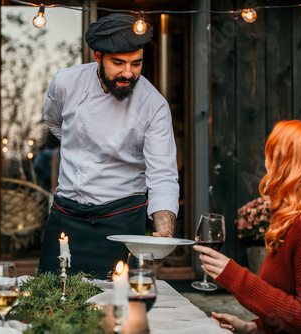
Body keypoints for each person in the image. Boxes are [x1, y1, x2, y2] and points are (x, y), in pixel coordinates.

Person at [39, 14, 180, 278]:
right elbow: (54, 122)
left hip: (122, 220)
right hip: (66, 215)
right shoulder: (66, 82)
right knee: (49, 298)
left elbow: (162, 175)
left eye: (136, 64)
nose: (128, 73)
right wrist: (80, 148)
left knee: (117, 310)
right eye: (118, 63)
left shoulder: (154, 106)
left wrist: (164, 229)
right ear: (97, 56)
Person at [194, 120, 301, 333]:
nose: (266, 162)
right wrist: (255, 327)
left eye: (272, 155)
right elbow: (295, 306)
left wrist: (234, 276)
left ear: (290, 165)